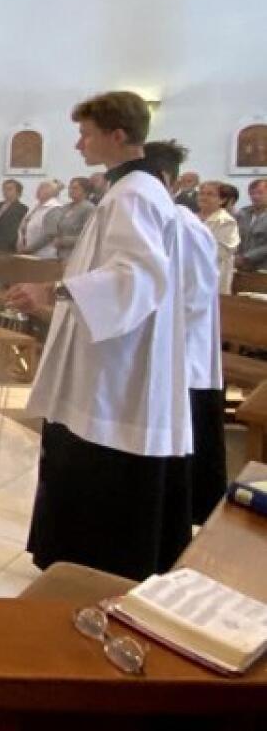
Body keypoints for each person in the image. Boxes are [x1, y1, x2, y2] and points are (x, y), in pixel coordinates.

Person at [7, 91, 190, 581]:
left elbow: (135, 276)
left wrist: (53, 290)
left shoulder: (134, 195)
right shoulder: (128, 190)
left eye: (86, 134)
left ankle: (89, 574)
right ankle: (71, 569)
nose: (78, 144)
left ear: (118, 135)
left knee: (99, 472)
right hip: (107, 359)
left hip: (116, 371)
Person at [144, 141, 227, 524]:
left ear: (164, 179)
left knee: (180, 473)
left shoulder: (185, 226)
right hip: (163, 352)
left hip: (182, 356)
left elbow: (194, 297)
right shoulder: (153, 218)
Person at [198, 180, 241, 294]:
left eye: (210, 194)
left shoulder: (226, 221)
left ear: (222, 200)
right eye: (201, 193)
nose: (204, 197)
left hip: (214, 274)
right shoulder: (191, 218)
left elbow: (223, 251)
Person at [46, 177, 96, 263]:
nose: (71, 190)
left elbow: (89, 236)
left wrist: (63, 241)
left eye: (75, 188)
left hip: (77, 256)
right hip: (60, 255)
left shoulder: (88, 208)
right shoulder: (66, 207)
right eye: (70, 188)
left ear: (86, 191)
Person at [17, 179, 64, 258]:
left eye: (42, 188)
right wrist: (20, 241)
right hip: (26, 251)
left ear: (51, 192)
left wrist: (29, 249)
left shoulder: (54, 208)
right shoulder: (35, 206)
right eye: (39, 188)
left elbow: (50, 234)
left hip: (43, 254)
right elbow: (24, 225)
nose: (38, 190)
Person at [238, 178, 267, 274]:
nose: (255, 196)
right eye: (252, 193)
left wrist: (247, 257)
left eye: (260, 193)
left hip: (263, 268)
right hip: (241, 268)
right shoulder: (243, 213)